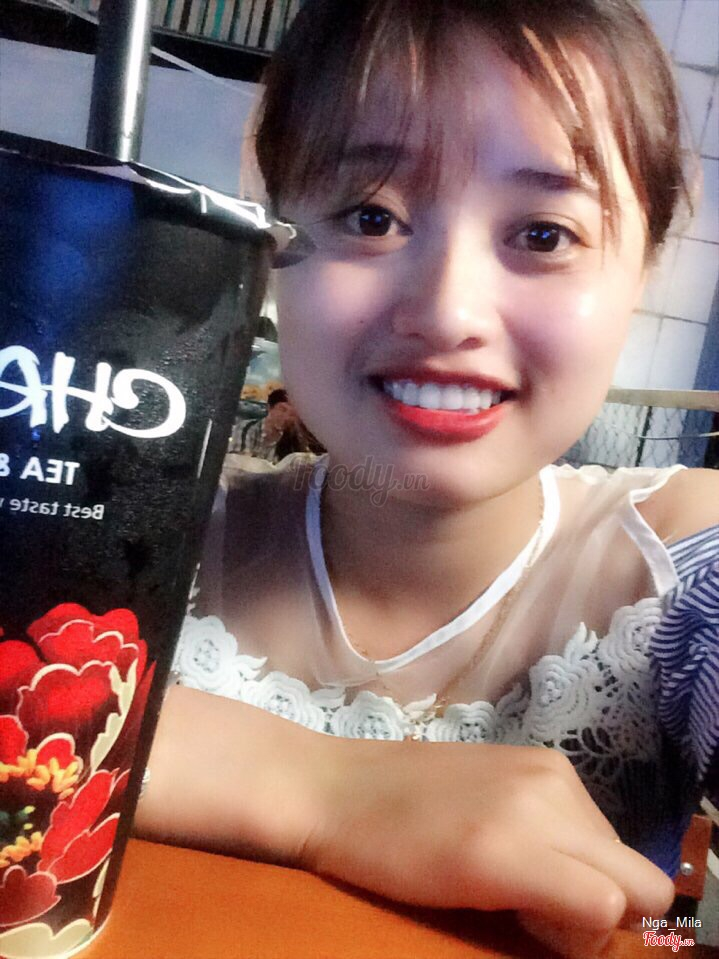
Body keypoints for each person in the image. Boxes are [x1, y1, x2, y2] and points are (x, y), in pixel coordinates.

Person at [135, 2, 719, 955]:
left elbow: (673, 925)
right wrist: (328, 791)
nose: (448, 313)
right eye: (371, 216)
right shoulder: (141, 527)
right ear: (273, 248)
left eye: (543, 234)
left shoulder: (674, 561)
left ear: (640, 272)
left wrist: (664, 933)